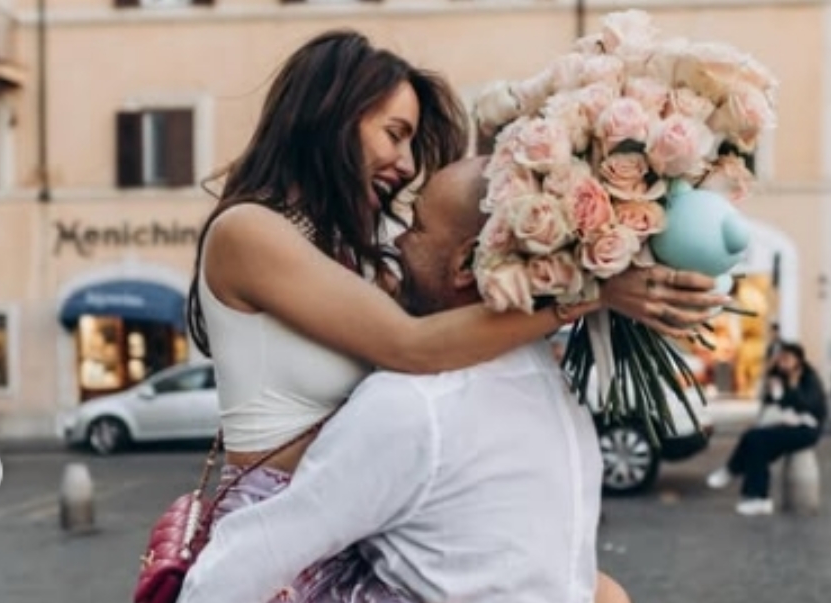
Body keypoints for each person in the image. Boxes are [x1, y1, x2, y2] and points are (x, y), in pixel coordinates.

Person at [182, 28, 721, 600]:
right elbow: (413, 344)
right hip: (282, 535)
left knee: (597, 591)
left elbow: (462, 290)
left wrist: (587, 228)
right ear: (330, 118)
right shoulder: (249, 232)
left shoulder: (350, 247)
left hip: (366, 525)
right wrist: (594, 289)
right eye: (395, 134)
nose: (405, 162)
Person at [179, 157, 627, 603]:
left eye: (416, 226)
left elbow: (254, 557)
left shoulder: (415, 403)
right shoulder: (555, 390)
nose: (397, 240)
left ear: (466, 262)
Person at [706, 342, 826, 516]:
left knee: (757, 441)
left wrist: (793, 387)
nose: (782, 363)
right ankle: (754, 494)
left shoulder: (809, 378)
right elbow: (772, 405)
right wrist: (774, 390)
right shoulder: (778, 376)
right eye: (780, 359)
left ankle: (738, 475)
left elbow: (808, 405)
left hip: (806, 429)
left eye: (787, 359)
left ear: (798, 360)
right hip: (783, 424)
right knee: (753, 439)